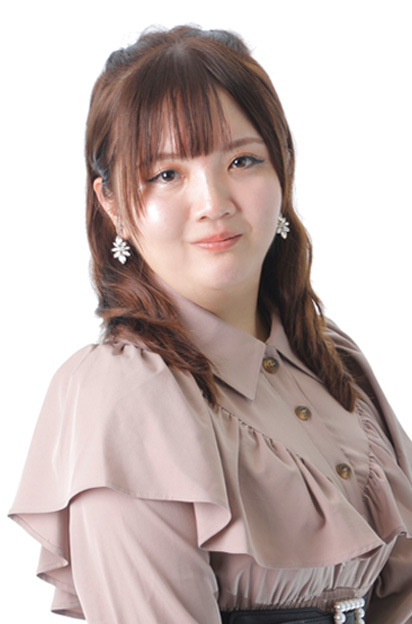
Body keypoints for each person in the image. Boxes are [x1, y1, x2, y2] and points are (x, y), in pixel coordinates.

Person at [8, 25, 412, 624]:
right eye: (166, 174)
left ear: (283, 172)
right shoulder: (123, 394)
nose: (214, 202)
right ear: (113, 205)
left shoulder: (332, 358)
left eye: (242, 161)